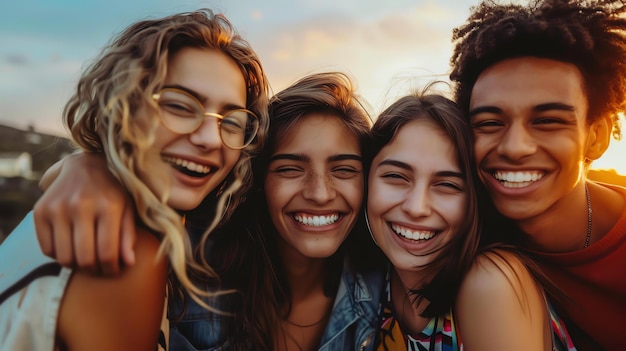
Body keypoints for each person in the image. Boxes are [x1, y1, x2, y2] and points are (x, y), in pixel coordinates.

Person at [32, 71, 385, 350]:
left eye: (344, 170)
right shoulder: (190, 262)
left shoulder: (384, 283)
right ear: (258, 180)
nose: (320, 194)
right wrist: (92, 168)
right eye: (290, 168)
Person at [0, 9, 269, 351]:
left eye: (231, 122)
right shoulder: (125, 251)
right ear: (123, 105)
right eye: (180, 106)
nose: (211, 139)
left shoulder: (102, 210)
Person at [449, 0, 626, 350]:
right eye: (489, 123)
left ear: (596, 137)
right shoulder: (457, 234)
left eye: (547, 121)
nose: (515, 147)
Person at [367, 87, 574, 350]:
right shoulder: (370, 277)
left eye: (448, 185)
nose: (417, 207)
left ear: (474, 200)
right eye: (396, 177)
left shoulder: (490, 282)